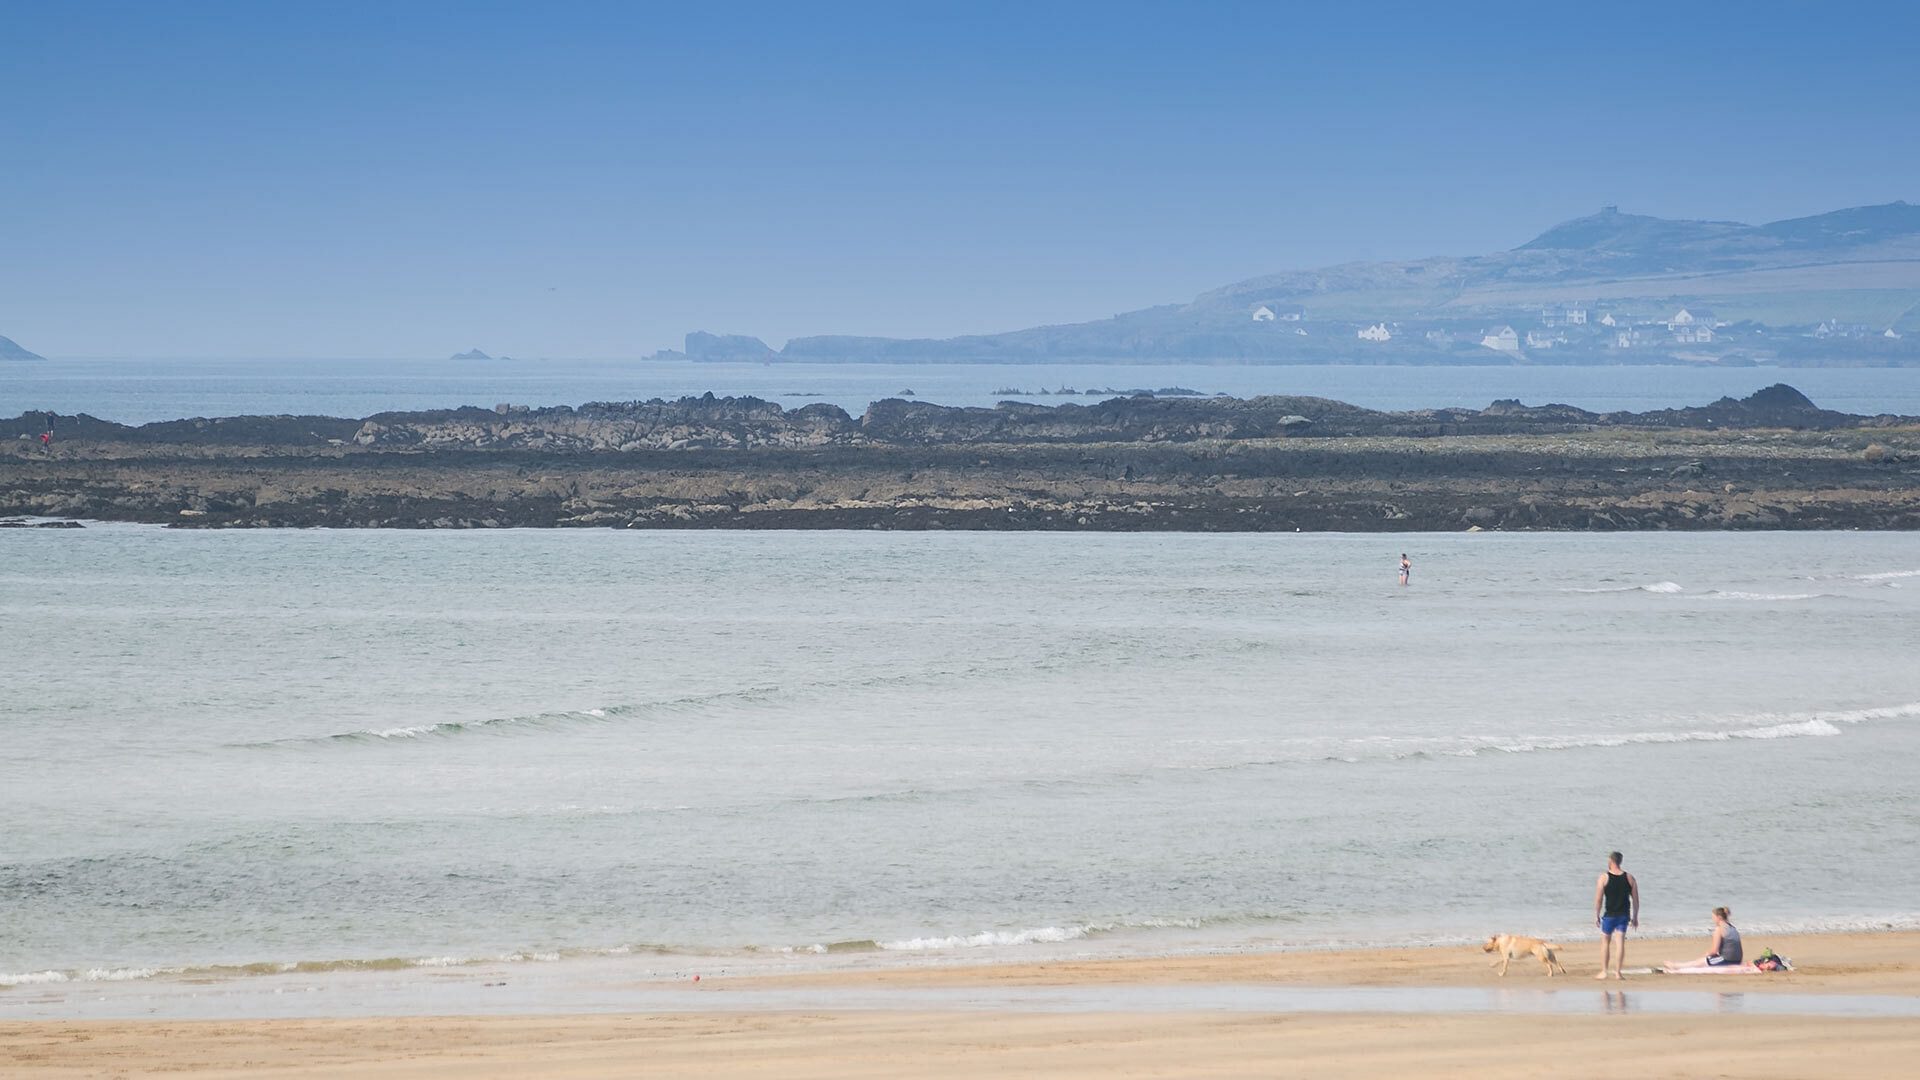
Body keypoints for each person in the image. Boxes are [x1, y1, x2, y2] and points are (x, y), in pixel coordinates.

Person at [1593, 850, 1639, 979]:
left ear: (1611, 861)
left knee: (1605, 942)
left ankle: (1604, 971)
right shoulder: (1629, 878)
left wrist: (1596, 914)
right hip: (1624, 915)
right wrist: (1635, 917)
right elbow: (1635, 900)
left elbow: (1598, 899)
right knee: (1620, 943)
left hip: (1609, 915)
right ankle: (1618, 972)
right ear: (1620, 862)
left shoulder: (1604, 877)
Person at [1665, 907, 1745, 971]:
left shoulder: (1719, 929)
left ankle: (1676, 966)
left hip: (1727, 960)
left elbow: (1714, 950)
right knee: (1707, 959)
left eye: (1713, 917)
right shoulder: (1733, 928)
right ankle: (1677, 965)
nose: (1713, 920)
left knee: (1699, 962)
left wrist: (1705, 956)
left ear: (1719, 917)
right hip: (1738, 960)